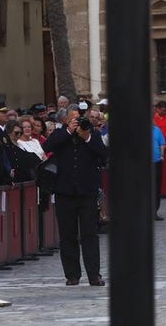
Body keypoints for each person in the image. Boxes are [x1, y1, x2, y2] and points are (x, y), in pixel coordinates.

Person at [44, 107, 108, 287]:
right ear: (65, 120)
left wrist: (86, 137)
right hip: (65, 192)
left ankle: (94, 274)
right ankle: (72, 275)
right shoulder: (60, 134)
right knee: (67, 235)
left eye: (78, 118)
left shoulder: (92, 134)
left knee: (90, 234)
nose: (77, 122)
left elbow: (104, 154)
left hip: (87, 192)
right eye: (73, 119)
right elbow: (47, 147)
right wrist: (68, 132)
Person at [152, 120, 165, 222]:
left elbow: (162, 144)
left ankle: (154, 211)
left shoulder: (157, 130)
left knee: (156, 187)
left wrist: (161, 155)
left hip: (157, 162)